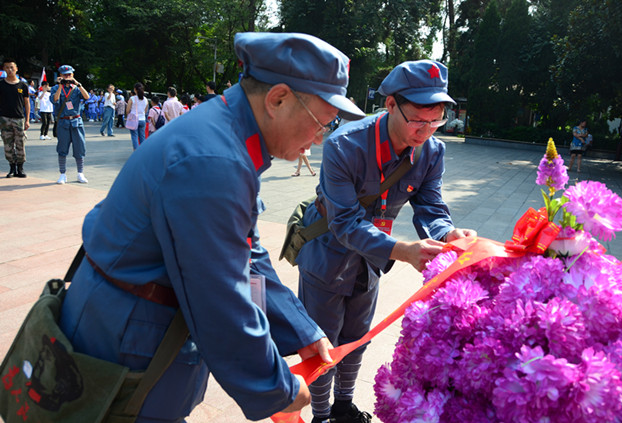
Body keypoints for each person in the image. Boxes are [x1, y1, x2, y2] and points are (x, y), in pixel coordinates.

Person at [58, 31, 366, 422]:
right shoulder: (214, 161)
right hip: (123, 338)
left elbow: (246, 250)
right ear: (278, 99)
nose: (320, 139)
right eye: (321, 123)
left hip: (130, 317)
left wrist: (301, 328)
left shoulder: (226, 133)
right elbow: (219, 295)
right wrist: (277, 388)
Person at [295, 60, 477, 423]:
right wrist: (404, 252)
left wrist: (447, 233)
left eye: (435, 120)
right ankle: (320, 414)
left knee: (358, 336)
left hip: (372, 258)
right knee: (321, 342)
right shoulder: (345, 146)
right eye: (417, 120)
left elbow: (430, 204)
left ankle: (344, 406)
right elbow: (344, 221)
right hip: (328, 252)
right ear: (391, 104)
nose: (425, 131)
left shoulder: (431, 151)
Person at [50, 65, 90, 184]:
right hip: (63, 122)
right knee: (62, 148)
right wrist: (60, 86)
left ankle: (80, 173)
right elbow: (55, 100)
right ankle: (62, 174)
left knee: (79, 148)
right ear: (60, 76)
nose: (68, 77)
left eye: (70, 74)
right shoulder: (56, 88)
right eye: (65, 75)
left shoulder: (76, 88)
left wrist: (79, 84)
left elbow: (86, 97)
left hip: (76, 121)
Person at [0, 58, 30, 178]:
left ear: (16, 68)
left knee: (20, 144)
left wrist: (27, 120)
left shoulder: (23, 85)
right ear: (4, 69)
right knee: (8, 144)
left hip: (19, 119)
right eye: (7, 67)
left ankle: (20, 168)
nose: (10, 69)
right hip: (4, 119)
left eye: (12, 67)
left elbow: (26, 103)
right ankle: (12, 167)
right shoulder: (1, 84)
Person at [125, 82, 148, 150]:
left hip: (134, 120)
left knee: (134, 136)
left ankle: (136, 151)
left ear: (135, 89)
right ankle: (142, 151)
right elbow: (145, 111)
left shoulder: (132, 98)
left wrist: (128, 115)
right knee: (142, 136)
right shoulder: (145, 99)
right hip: (142, 119)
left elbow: (127, 110)